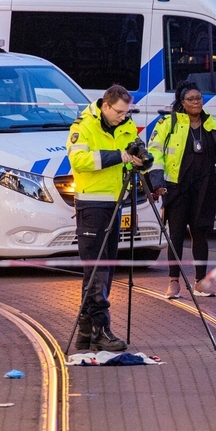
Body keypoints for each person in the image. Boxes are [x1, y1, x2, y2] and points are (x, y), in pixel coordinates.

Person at [68, 84, 143, 352]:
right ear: (106, 106)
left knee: (105, 268)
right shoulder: (83, 126)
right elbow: (80, 161)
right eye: (120, 112)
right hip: (91, 204)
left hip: (116, 202)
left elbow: (135, 149)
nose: (123, 117)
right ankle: (100, 330)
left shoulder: (126, 125)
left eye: (127, 112)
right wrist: (119, 156)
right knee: (97, 269)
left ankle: (86, 331)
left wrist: (139, 159)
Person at [147, 81, 216, 299]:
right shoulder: (167, 124)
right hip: (176, 188)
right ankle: (174, 282)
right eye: (191, 99)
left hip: (203, 189)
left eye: (199, 98)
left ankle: (200, 281)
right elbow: (154, 153)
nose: (196, 102)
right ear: (182, 102)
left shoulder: (212, 125)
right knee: (176, 235)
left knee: (201, 233)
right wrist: (158, 183)